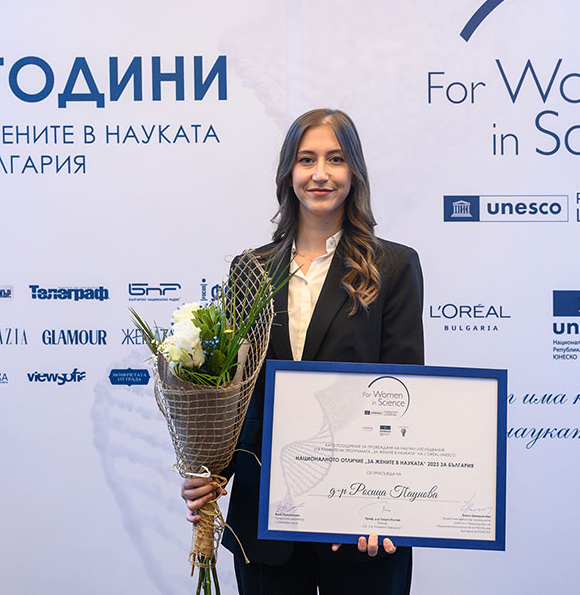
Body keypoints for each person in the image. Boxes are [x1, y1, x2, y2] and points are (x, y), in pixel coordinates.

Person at [182, 108, 424, 594]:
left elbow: (402, 395)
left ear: (354, 171)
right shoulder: (250, 269)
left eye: (335, 159)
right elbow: (236, 394)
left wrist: (387, 505)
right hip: (264, 519)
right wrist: (210, 472)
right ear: (288, 173)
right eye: (306, 159)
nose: (320, 174)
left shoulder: (393, 266)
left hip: (360, 518)